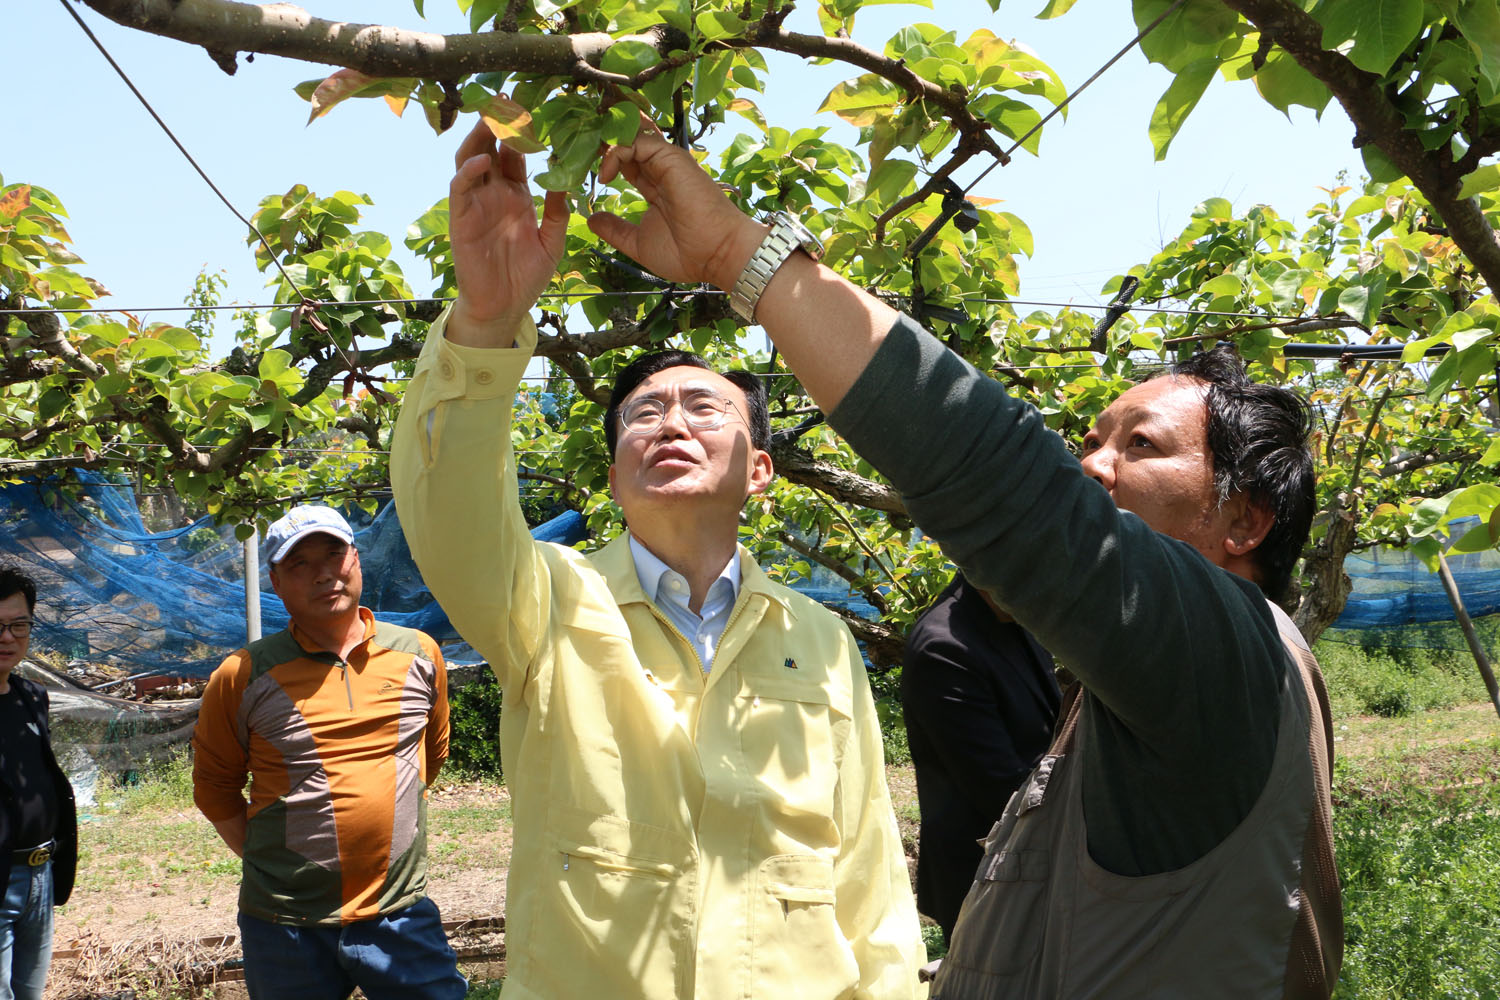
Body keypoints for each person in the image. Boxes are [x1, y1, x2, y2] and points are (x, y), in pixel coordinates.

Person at [574, 125, 1343, 997]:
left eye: (1142, 445)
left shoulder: (1223, 655)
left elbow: (1001, 480)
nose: (1091, 467)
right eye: (1092, 440)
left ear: (1243, 519)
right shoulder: (1135, 698)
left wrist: (737, 255)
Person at [388, 123, 924, 1000]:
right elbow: (447, 514)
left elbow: (868, 872)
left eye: (706, 408)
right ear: (613, 477)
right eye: (644, 413)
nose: (672, 421)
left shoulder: (819, 638)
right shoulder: (547, 601)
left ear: (760, 469)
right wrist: (486, 324)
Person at [191, 506, 464, 1000]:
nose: (323, 574)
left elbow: (430, 755)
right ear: (276, 581)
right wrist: (279, 870)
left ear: (356, 559)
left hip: (399, 914)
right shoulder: (243, 674)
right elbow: (215, 791)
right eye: (300, 564)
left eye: (334, 554)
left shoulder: (419, 654)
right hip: (285, 926)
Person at [901, 572, 1058, 944]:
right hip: (985, 882)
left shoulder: (1012, 615)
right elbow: (1001, 788)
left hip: (1030, 866)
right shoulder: (945, 648)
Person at [0, 566, 76, 1000]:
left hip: (39, 876)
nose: (7, 637)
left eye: (19, 624)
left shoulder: (32, 697)